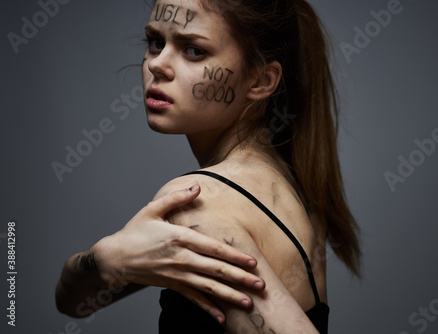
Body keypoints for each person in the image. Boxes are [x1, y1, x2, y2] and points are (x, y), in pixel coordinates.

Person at [56, 0, 362, 333]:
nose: (158, 64)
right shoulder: (296, 187)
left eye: (194, 50)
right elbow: (73, 300)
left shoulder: (198, 201)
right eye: (156, 42)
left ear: (260, 81)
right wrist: (107, 257)